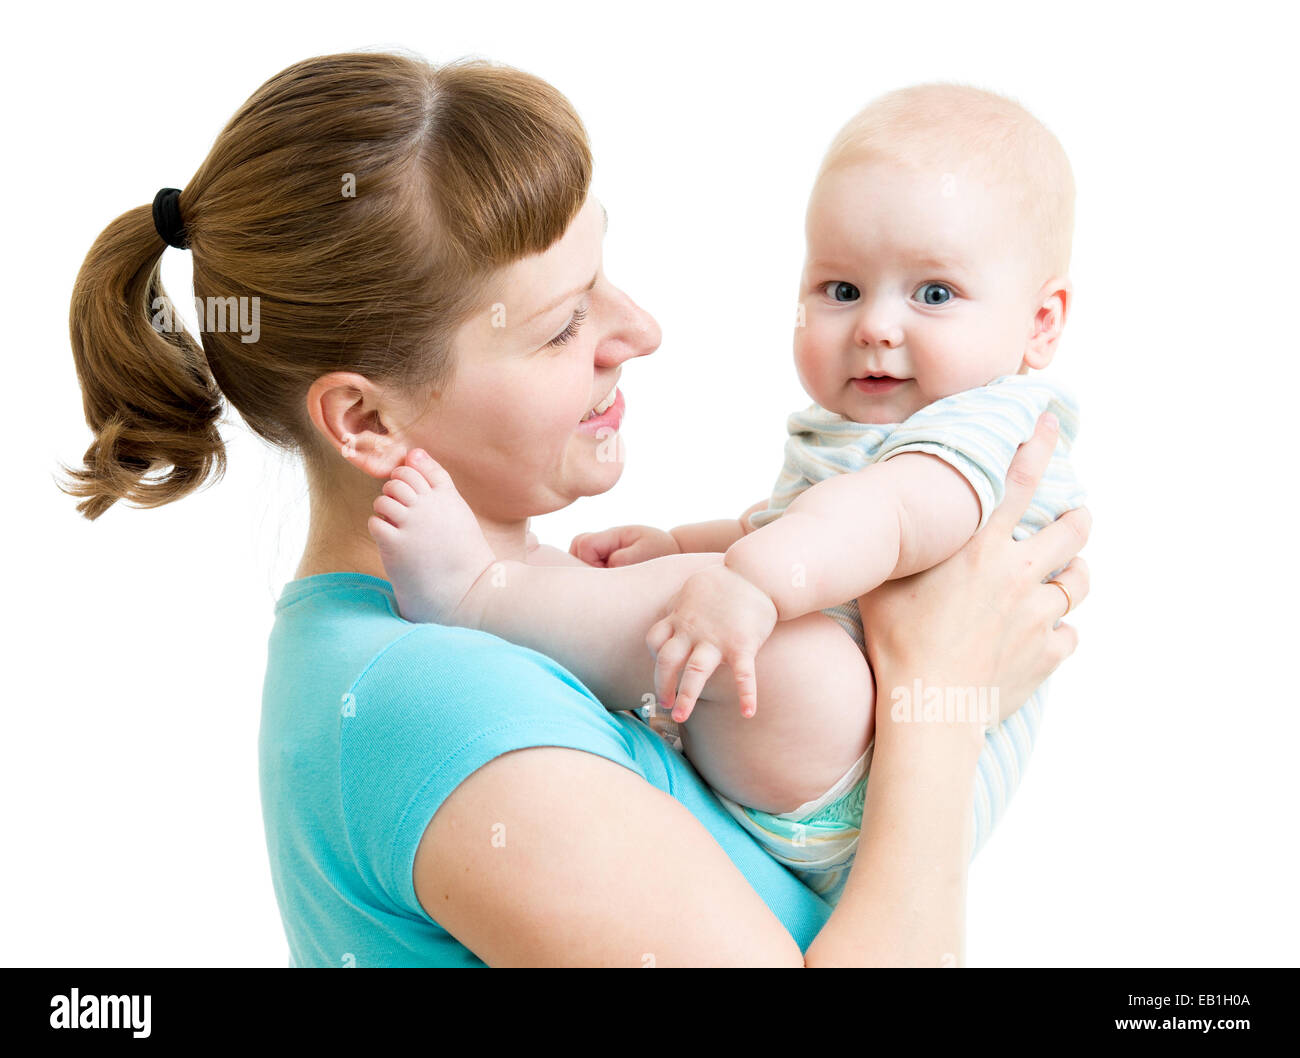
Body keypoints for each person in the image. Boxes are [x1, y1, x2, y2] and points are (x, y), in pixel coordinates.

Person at [62, 51, 1090, 966]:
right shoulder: (437, 702)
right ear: (365, 419)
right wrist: (934, 698)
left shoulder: (501, 641)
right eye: (560, 326)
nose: (639, 328)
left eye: (605, 276)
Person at [370, 82, 1085, 904]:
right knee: (716, 603)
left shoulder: (995, 425)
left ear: (1041, 323)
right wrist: (684, 544)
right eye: (842, 291)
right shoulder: (866, 431)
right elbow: (787, 527)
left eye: (933, 294)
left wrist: (740, 580)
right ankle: (564, 606)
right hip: (858, 751)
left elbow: (881, 520)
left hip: (866, 783)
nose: (877, 327)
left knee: (764, 633)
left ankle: (477, 598)